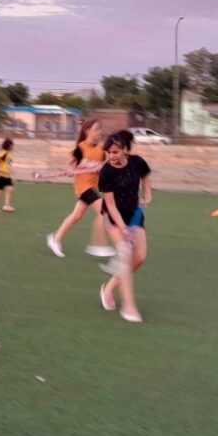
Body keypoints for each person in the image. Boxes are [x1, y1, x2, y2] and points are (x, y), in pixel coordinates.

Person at [97, 130, 152, 323]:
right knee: (125, 254)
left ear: (125, 150)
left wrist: (147, 194)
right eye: (108, 152)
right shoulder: (106, 172)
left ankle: (109, 288)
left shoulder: (137, 162)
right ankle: (129, 306)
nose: (111, 156)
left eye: (115, 152)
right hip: (113, 218)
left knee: (140, 257)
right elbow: (110, 205)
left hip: (134, 215)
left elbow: (145, 176)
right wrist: (122, 228)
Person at [46, 119, 116, 258]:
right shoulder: (81, 148)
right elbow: (70, 164)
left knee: (76, 216)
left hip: (92, 186)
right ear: (88, 131)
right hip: (83, 187)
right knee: (104, 212)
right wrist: (70, 170)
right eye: (96, 129)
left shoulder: (101, 150)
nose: (99, 132)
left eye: (100, 129)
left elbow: (105, 167)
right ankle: (99, 246)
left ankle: (55, 239)